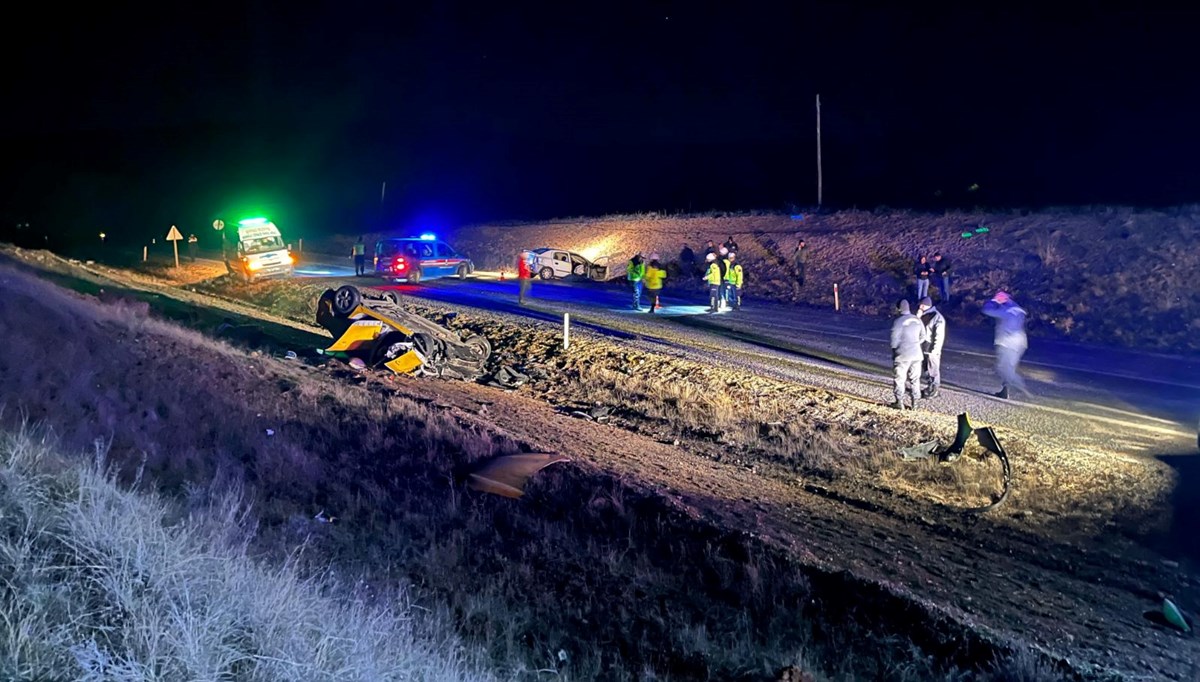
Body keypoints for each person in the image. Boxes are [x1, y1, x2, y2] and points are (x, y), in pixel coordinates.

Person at [982, 291, 1030, 399]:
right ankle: (1005, 391)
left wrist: (993, 301)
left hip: (1007, 342)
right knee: (1009, 366)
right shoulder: (1016, 308)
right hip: (1019, 342)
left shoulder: (1005, 309)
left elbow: (987, 310)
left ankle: (1020, 387)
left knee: (1004, 368)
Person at [890, 299, 928, 410]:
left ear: (898, 309)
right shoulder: (917, 320)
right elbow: (923, 336)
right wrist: (915, 343)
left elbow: (894, 341)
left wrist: (895, 351)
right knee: (915, 379)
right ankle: (915, 403)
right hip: (917, 355)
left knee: (900, 379)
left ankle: (899, 402)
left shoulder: (898, 321)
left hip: (902, 355)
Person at [917, 296, 946, 398]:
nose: (920, 306)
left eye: (922, 305)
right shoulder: (923, 315)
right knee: (926, 368)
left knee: (933, 369)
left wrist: (935, 350)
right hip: (924, 346)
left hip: (931, 347)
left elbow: (939, 336)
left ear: (927, 306)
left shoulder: (937, 317)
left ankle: (934, 390)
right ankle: (930, 387)